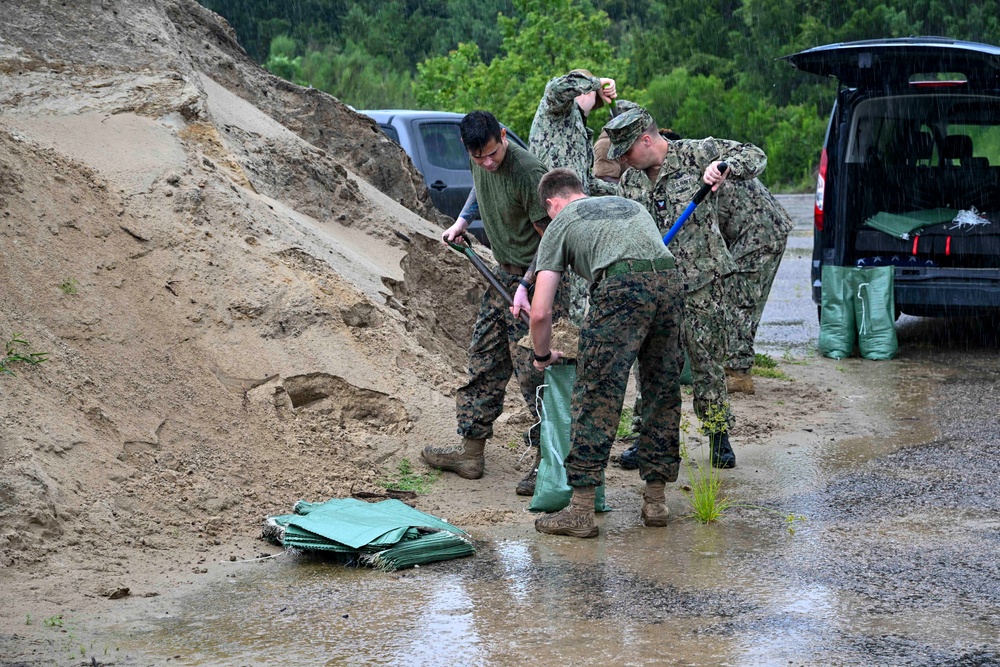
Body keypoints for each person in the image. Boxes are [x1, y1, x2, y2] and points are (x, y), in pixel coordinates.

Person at [606, 107, 768, 469]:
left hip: (701, 283)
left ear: (646, 140)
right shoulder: (631, 181)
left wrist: (724, 166)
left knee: (707, 362)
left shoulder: (695, 154)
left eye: (626, 151)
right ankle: (648, 439)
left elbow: (754, 155)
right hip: (656, 283)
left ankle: (717, 436)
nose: (623, 161)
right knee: (650, 366)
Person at [528, 168, 685, 538]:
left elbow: (540, 311)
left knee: (597, 394)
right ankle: (656, 501)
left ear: (553, 203)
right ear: (580, 190)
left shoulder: (560, 222)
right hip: (669, 280)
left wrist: (542, 355)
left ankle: (580, 510)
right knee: (662, 390)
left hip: (620, 288)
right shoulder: (628, 204)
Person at [422, 110, 559, 496]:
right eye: (477, 157)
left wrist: (526, 285)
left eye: (492, 155)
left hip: (535, 282)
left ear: (503, 135)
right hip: (501, 275)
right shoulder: (480, 153)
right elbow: (480, 188)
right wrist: (462, 221)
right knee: (483, 359)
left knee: (535, 374)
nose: (485, 163)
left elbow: (551, 239)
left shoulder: (527, 172)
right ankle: (470, 452)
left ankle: (547, 461)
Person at [716, 178, 794, 394]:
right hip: (747, 228)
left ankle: (738, 375)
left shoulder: (679, 172)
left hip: (760, 232)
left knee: (739, 302)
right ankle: (729, 366)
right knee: (730, 297)